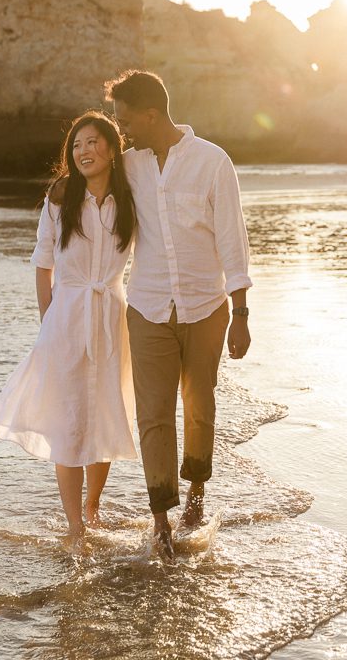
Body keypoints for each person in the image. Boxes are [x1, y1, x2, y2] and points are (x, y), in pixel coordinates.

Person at [105, 70, 253, 560]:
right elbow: (85, 185)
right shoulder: (127, 166)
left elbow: (232, 240)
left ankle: (196, 489)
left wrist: (241, 311)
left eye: (127, 120)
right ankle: (161, 521)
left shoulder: (213, 163)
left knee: (198, 402)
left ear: (152, 115)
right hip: (147, 307)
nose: (122, 129)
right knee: (152, 414)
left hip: (206, 307)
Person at [0, 110, 138, 543]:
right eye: (76, 145)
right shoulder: (59, 199)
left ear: (112, 148)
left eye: (92, 142)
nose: (84, 151)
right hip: (66, 318)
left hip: (111, 314)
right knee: (70, 421)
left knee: (106, 414)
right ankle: (75, 524)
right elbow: (42, 264)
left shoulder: (129, 199)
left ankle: (93, 506)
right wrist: (48, 322)